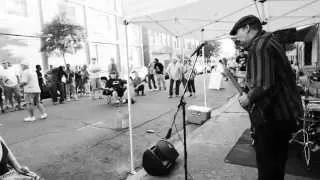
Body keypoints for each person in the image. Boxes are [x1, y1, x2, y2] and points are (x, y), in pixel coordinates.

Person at [230, 15, 303, 180]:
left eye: (238, 33)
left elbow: (264, 84)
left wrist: (248, 98)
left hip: (272, 119)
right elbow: (272, 79)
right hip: (283, 116)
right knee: (277, 168)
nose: (237, 38)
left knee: (268, 170)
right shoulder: (270, 40)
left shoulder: (260, 45)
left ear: (248, 28)